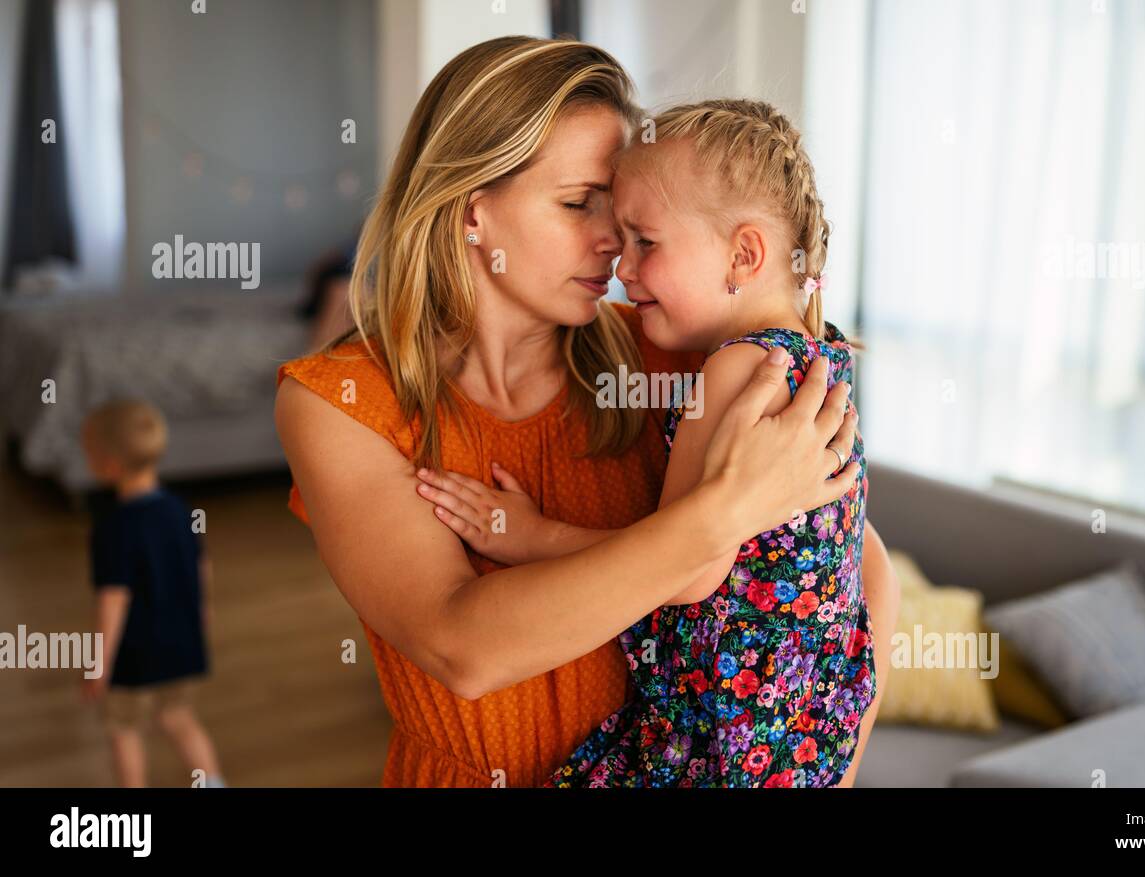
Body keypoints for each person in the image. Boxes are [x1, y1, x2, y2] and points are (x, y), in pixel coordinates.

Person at [274, 36, 896, 788]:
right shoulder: (341, 401)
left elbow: (860, 557)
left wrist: (834, 765)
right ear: (474, 212)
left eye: (629, 216)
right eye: (579, 204)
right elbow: (461, 645)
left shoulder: (665, 348)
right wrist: (724, 512)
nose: (612, 244)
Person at [418, 99, 874, 787]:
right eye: (588, 211)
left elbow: (689, 564)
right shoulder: (821, 354)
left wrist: (531, 535)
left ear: (743, 253)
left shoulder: (734, 369)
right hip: (802, 732)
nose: (621, 267)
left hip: (720, 743)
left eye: (646, 242)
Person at [80, 399, 225, 788]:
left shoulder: (112, 528)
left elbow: (113, 601)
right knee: (179, 717)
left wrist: (99, 662)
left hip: (135, 655)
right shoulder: (180, 509)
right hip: (181, 641)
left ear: (108, 464)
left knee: (124, 728)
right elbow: (201, 565)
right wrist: (202, 611)